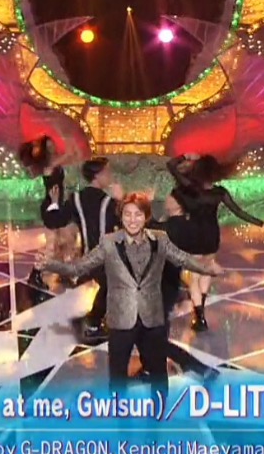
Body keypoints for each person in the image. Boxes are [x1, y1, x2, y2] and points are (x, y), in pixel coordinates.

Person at [38, 193, 222, 398]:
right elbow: (78, 268)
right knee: (118, 377)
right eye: (128, 214)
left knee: (159, 359)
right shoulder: (109, 243)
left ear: (145, 217)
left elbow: (183, 259)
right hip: (121, 320)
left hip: (150, 316)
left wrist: (207, 269)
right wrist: (50, 265)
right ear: (121, 217)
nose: (132, 220)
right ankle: (121, 411)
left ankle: (164, 404)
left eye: (137, 215)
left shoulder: (159, 240)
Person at [167, 154, 264, 332]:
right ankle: (201, 309)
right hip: (211, 236)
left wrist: (185, 156)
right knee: (207, 270)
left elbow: (171, 165)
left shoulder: (190, 189)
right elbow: (238, 211)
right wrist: (259, 222)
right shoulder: (220, 193)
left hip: (193, 236)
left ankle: (199, 317)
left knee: (194, 278)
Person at [148, 193, 219, 381]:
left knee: (151, 335)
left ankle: (197, 368)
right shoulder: (179, 225)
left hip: (162, 286)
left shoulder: (175, 227)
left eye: (172, 198)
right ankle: (157, 366)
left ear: (179, 205)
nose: (167, 200)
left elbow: (151, 228)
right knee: (154, 333)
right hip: (165, 286)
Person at [63, 157, 123, 338]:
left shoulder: (75, 199)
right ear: (98, 175)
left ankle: (89, 316)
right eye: (107, 172)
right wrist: (122, 200)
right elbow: (126, 223)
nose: (110, 175)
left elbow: (64, 221)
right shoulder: (109, 202)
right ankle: (94, 325)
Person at [18, 135, 78, 288]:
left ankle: (63, 273)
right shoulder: (48, 166)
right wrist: (66, 137)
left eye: (53, 146)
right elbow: (69, 154)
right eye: (49, 147)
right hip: (51, 206)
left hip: (59, 205)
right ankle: (36, 274)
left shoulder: (54, 165)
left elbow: (70, 156)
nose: (53, 149)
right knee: (52, 245)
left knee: (65, 242)